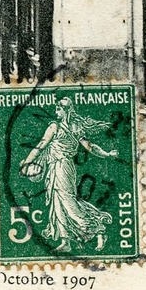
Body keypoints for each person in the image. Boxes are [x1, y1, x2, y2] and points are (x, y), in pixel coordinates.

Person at [19, 97, 118, 253]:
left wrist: (106, 154)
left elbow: (90, 147)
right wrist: (27, 162)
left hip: (64, 167)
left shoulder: (65, 127)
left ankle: (98, 229)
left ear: (65, 110)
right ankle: (66, 242)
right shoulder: (59, 126)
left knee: (68, 202)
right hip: (54, 168)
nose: (55, 111)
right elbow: (40, 146)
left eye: (58, 109)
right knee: (57, 203)